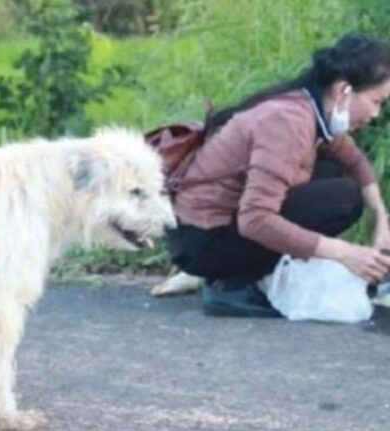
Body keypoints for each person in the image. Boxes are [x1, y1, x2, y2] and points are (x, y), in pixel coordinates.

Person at [164, 32, 390, 317]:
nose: (376, 114)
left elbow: (355, 161)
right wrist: (345, 253)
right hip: (201, 242)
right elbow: (255, 220)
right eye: (376, 101)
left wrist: (380, 221)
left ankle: (244, 273)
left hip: (211, 229)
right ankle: (231, 284)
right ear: (344, 90)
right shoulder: (289, 123)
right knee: (344, 198)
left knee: (332, 171)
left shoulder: (316, 109)